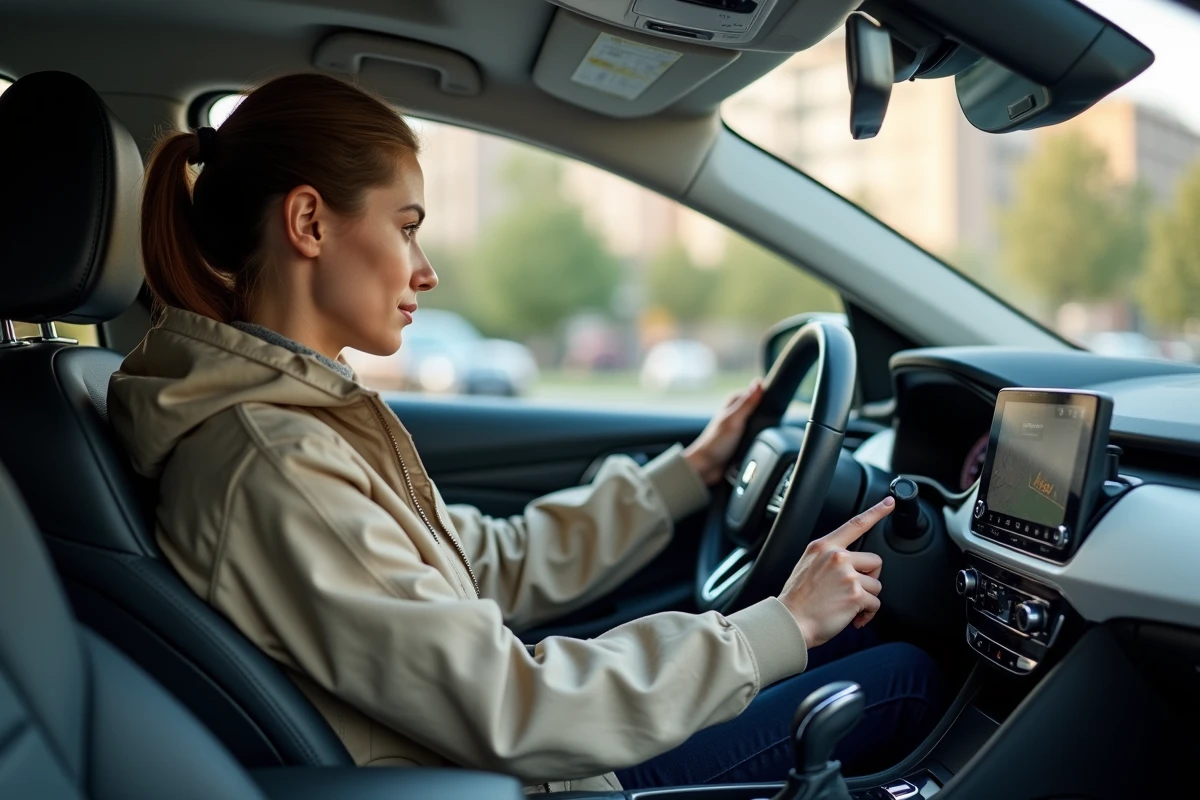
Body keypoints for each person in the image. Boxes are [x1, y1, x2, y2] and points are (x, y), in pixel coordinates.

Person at [107, 73, 942, 795]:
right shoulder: (272, 460)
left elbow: (482, 561)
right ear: (310, 224)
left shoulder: (293, 425)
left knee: (858, 645)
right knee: (907, 678)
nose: (424, 267)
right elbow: (510, 705)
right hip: (525, 782)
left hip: (496, 763)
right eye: (405, 225)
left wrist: (684, 475)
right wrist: (782, 625)